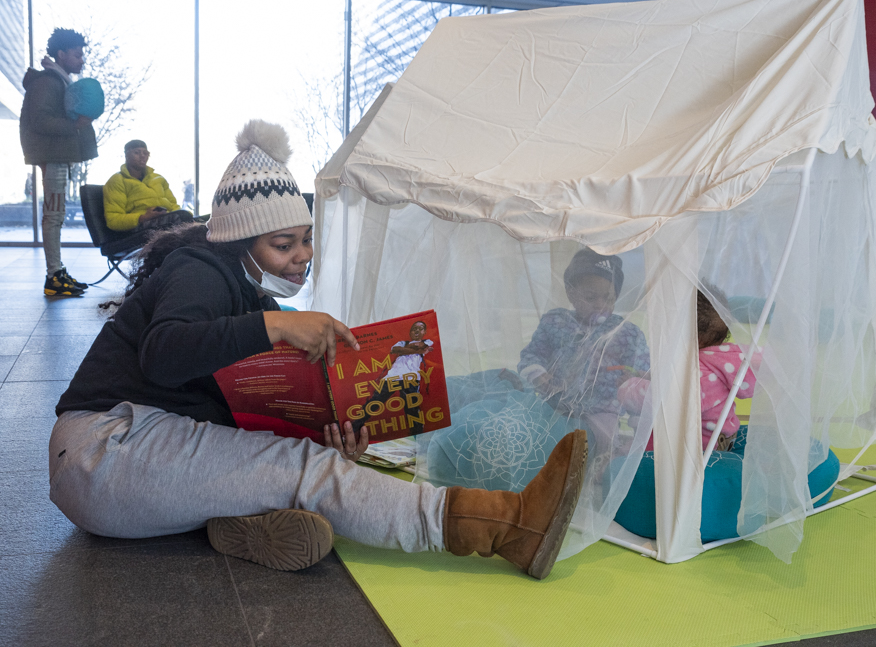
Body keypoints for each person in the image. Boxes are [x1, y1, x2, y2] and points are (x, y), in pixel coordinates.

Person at [48, 119, 588, 580]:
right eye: (283, 245)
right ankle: (505, 525)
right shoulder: (200, 272)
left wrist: (330, 433)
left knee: (305, 460)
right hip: (105, 448)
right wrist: (275, 329)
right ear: (240, 244)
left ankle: (239, 520)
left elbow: (240, 409)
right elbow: (163, 355)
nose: (302, 256)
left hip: (140, 459)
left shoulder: (250, 294)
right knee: (305, 471)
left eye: (306, 238)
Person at [618, 287, 760, 451]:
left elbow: (656, 400)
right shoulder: (717, 361)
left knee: (630, 452)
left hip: (701, 448)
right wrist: (647, 377)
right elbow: (672, 385)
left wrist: (628, 387)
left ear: (688, 336)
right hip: (717, 438)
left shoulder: (697, 374)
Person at [518, 248, 650, 416]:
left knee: (602, 439)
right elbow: (533, 353)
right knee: (554, 438)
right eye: (590, 298)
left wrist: (635, 379)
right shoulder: (555, 323)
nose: (599, 305)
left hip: (604, 410)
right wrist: (537, 374)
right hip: (556, 404)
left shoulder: (626, 333)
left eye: (608, 299)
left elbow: (644, 367)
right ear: (571, 294)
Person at [20, 28, 97, 297]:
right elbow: (40, 120)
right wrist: (75, 125)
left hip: (57, 155)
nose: (81, 61)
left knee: (56, 216)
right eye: (77, 55)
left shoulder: (58, 81)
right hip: (52, 156)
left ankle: (58, 271)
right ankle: (53, 276)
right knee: (53, 217)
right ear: (61, 54)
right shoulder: (48, 82)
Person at [353, 320, 433, 435]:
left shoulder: (427, 341)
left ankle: (417, 437)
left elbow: (421, 347)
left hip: (410, 379)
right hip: (392, 377)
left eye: (420, 328)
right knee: (374, 403)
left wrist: (409, 349)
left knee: (412, 410)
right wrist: (416, 349)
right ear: (410, 332)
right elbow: (395, 350)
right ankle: (354, 428)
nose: (416, 330)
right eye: (414, 328)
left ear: (424, 331)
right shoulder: (402, 342)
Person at [103, 140, 194, 232]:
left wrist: (185, 216)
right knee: (182, 221)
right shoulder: (117, 181)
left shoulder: (158, 178)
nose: (142, 156)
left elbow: (173, 206)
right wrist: (143, 217)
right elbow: (113, 220)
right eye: (137, 152)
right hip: (137, 227)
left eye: (145, 153)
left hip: (166, 220)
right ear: (126, 155)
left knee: (203, 221)